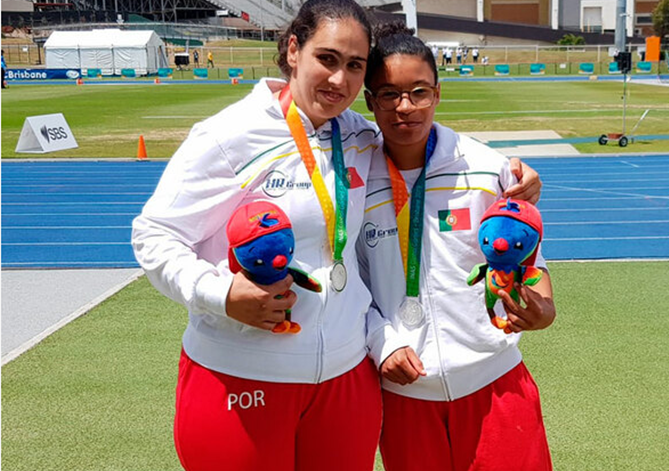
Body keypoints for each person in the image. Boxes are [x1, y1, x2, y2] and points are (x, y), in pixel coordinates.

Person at [132, 1, 383, 469]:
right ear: (293, 50)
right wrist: (220, 293)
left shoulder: (360, 136)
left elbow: (425, 145)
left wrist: (504, 172)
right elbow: (154, 234)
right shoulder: (228, 136)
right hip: (241, 376)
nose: (339, 80)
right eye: (326, 59)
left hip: (347, 378)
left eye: (355, 66)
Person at [358, 23, 555, 471]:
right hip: (406, 395)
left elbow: (529, 260)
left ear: (438, 93)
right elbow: (349, 286)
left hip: (495, 385)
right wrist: (381, 341)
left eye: (419, 91)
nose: (404, 107)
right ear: (369, 101)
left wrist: (543, 305)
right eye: (388, 94)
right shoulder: (353, 182)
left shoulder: (488, 169)